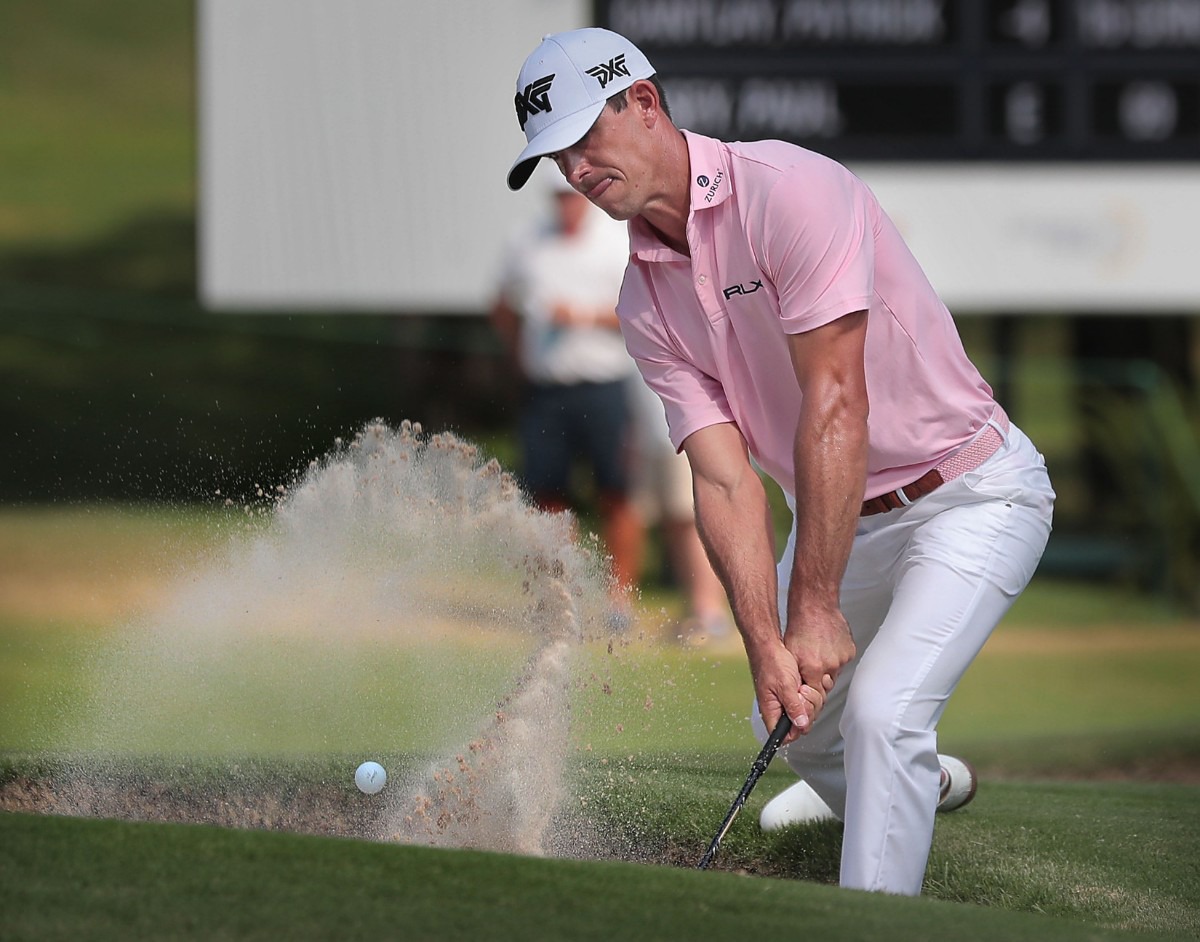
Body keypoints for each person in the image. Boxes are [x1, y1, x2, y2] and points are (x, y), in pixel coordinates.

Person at [505, 28, 1055, 896]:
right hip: (846, 517)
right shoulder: (643, 300)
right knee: (795, 718)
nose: (574, 169)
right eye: (555, 156)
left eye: (584, 139)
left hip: (971, 491)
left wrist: (818, 604)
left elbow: (837, 403)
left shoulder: (791, 191)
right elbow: (723, 476)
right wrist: (765, 639)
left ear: (644, 104)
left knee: (881, 716)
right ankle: (920, 784)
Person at [489, 174, 642, 623]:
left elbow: (638, 316)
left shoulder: (614, 242)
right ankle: (564, 596)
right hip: (547, 388)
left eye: (572, 198)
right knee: (547, 496)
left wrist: (578, 317)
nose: (566, 207)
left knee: (616, 492)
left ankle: (620, 599)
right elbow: (501, 305)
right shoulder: (527, 241)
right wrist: (519, 357)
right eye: (558, 198)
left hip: (603, 384)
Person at [626, 372, 732, 645]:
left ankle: (710, 613)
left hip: (686, 432)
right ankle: (695, 607)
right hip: (653, 436)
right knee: (673, 522)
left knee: (693, 521)